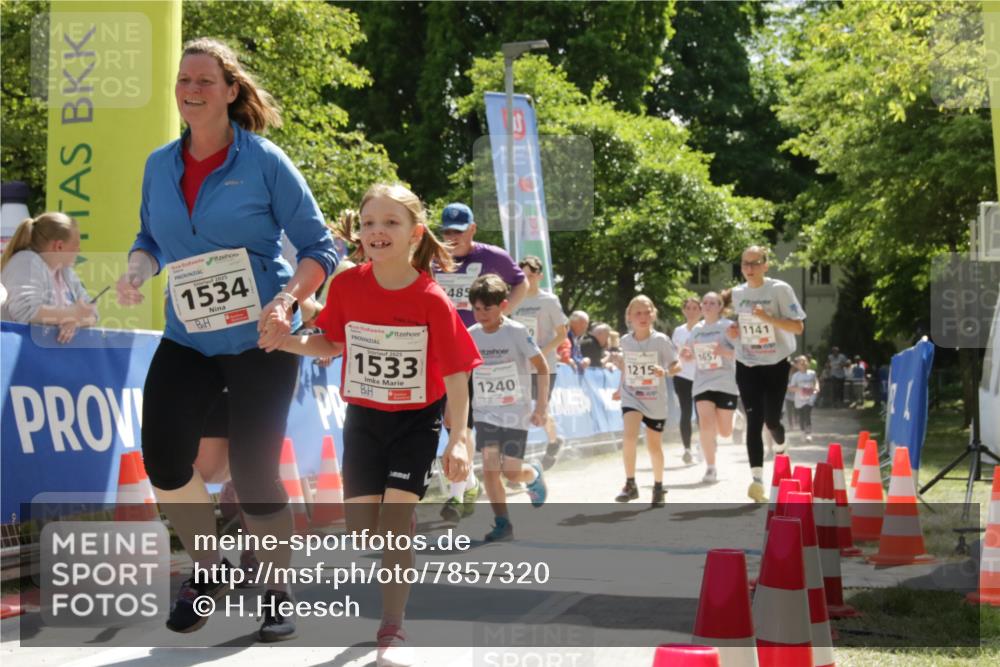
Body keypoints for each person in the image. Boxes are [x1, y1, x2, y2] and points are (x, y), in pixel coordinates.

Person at [115, 38, 338, 641]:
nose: (191, 89)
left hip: (260, 340)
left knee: (255, 470)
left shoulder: (264, 160)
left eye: (205, 80)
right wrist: (138, 269)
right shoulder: (159, 163)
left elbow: (321, 247)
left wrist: (287, 300)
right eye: (184, 80)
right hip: (187, 337)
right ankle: (207, 568)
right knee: (163, 460)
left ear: (230, 90)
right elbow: (151, 237)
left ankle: (275, 590)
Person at [280, 183, 479, 665]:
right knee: (363, 532)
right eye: (369, 223)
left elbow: (456, 374)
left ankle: (392, 622)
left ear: (415, 233)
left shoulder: (431, 300)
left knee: (391, 530)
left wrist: (460, 439)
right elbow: (327, 344)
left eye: (391, 223)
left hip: (416, 420)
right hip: (365, 418)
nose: (377, 231)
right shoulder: (347, 286)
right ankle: (399, 523)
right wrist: (284, 342)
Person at [434, 202, 526, 519]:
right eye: (447, 231)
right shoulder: (432, 257)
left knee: (463, 423)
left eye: (459, 232)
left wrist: (500, 317)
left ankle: (459, 495)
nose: (452, 237)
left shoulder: (493, 256)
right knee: (450, 423)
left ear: (473, 229)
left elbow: (521, 282)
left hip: (476, 354)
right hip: (436, 352)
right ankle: (468, 483)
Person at [468, 274, 549, 542]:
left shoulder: (516, 332)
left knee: (511, 472)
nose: (481, 314)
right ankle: (503, 523)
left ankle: (533, 473)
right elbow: (463, 374)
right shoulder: (471, 335)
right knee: (490, 467)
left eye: (487, 308)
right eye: (476, 309)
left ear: (503, 305)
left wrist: (542, 406)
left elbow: (542, 367)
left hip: (516, 412)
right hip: (485, 412)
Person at [726, 245, 806, 503]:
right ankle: (756, 480)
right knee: (753, 420)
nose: (749, 269)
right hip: (747, 363)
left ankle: (781, 447)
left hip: (776, 362)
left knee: (772, 421)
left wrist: (769, 319)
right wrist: (734, 332)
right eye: (745, 264)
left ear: (765, 265)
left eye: (754, 263)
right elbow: (740, 324)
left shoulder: (779, 289)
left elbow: (798, 327)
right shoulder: (738, 293)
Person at [612, 295, 681, 507]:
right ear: (629, 317)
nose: (642, 317)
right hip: (631, 395)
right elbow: (629, 368)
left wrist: (666, 371)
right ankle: (630, 484)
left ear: (653, 314)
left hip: (654, 398)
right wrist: (619, 385)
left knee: (653, 446)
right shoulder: (625, 341)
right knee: (629, 436)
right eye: (637, 313)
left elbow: (677, 365)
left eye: (646, 312)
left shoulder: (660, 340)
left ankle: (658, 487)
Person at [1, 212, 98, 343]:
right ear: (58, 246)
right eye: (76, 244)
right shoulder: (26, 262)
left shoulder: (66, 272)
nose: (79, 250)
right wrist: (71, 314)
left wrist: (75, 322)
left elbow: (92, 313)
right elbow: (25, 312)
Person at [513, 255, 568, 470]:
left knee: (540, 410)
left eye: (532, 275)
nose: (528, 279)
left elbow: (562, 334)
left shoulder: (549, 301)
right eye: (523, 275)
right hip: (521, 366)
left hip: (545, 366)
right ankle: (516, 462)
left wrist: (540, 354)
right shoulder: (514, 300)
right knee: (522, 410)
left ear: (539, 275)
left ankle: (554, 441)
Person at [680, 292, 737, 484]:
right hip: (703, 383)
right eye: (705, 302)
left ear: (720, 306)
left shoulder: (728, 326)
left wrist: (724, 351)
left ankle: (735, 417)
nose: (707, 305)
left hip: (725, 383)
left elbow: (742, 354)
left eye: (712, 303)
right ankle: (711, 468)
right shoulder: (696, 329)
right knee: (705, 423)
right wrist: (687, 355)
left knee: (725, 432)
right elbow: (689, 353)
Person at [671, 296, 702, 464]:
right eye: (688, 308)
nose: (691, 311)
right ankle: (687, 449)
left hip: (701, 375)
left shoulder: (705, 328)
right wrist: (680, 355)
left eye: (695, 308)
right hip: (682, 375)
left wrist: (694, 354)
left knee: (701, 414)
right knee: (685, 411)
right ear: (683, 310)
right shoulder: (678, 331)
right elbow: (674, 352)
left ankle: (703, 445)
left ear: (701, 311)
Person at [789, 354, 819, 442]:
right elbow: (791, 388)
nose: (803, 363)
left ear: (807, 363)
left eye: (804, 361)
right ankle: (802, 432)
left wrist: (817, 387)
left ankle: (808, 434)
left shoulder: (812, 373)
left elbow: (816, 381)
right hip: (799, 399)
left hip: (810, 398)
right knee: (801, 416)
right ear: (797, 365)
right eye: (800, 362)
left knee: (807, 414)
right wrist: (800, 389)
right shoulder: (796, 376)